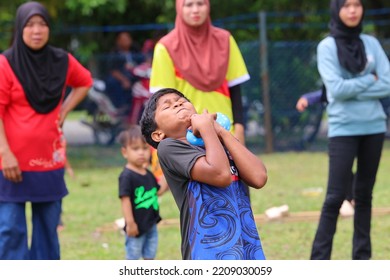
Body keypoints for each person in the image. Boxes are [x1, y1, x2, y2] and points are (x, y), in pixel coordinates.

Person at [0, 1, 92, 260]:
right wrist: (4, 153)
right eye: (30, 24)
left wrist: (64, 110)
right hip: (10, 163)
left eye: (42, 24)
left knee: (47, 230)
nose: (37, 30)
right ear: (19, 28)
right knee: (10, 230)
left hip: (49, 162)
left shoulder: (62, 60)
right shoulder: (5, 64)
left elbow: (85, 82)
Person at [140, 88, 268, 260]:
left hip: (245, 244)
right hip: (208, 251)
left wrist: (221, 132)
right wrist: (208, 129)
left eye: (181, 100)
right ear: (158, 134)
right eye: (167, 106)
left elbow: (259, 177)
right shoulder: (169, 147)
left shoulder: (217, 141)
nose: (178, 103)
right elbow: (221, 175)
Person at [310, 0, 390, 260]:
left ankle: (362, 260)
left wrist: (353, 86)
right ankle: (319, 262)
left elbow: (388, 84)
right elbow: (337, 90)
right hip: (343, 129)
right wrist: (370, 79)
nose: (353, 10)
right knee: (334, 197)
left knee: (365, 196)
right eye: (346, 5)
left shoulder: (372, 44)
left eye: (357, 4)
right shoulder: (327, 46)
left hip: (374, 127)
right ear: (337, 10)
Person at [149, 0, 248, 145]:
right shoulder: (165, 47)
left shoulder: (225, 40)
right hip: (187, 137)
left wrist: (239, 129)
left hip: (225, 130)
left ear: (208, 6)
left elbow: (235, 89)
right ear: (179, 8)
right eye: (188, 5)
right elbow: (162, 100)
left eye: (200, 4)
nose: (195, 10)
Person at [296, 86, 355, 217]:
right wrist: (307, 98)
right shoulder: (335, 82)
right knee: (342, 167)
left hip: (364, 131)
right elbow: (327, 93)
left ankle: (356, 198)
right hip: (340, 133)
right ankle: (349, 198)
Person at [117, 125, 166, 260]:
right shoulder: (127, 176)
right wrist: (130, 223)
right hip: (136, 228)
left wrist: (168, 174)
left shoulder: (148, 174)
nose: (141, 153)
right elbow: (125, 200)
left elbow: (158, 192)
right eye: (135, 149)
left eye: (145, 148)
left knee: (150, 256)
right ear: (125, 152)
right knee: (133, 258)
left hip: (151, 224)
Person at [105, 31, 142, 111]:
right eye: (124, 39)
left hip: (134, 76)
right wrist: (124, 80)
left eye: (128, 38)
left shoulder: (135, 51)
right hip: (120, 78)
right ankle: (120, 109)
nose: (127, 41)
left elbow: (143, 63)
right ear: (118, 41)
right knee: (113, 82)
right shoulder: (115, 53)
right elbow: (113, 70)